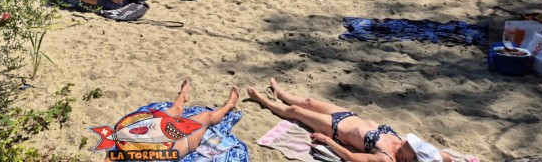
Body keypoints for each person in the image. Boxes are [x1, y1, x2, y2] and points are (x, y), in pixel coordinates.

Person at [246, 79, 452, 162]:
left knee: (295, 111)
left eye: (414, 146)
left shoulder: (386, 159)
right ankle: (280, 92)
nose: (411, 140)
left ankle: (261, 99)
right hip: (350, 115)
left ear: (412, 157)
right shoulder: (409, 147)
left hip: (335, 129)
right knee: (308, 101)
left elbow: (352, 158)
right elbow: (444, 157)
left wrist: (328, 142)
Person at [102, 80, 239, 159]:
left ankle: (183, 95)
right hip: (183, 138)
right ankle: (229, 105)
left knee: (176, 109)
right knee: (206, 116)